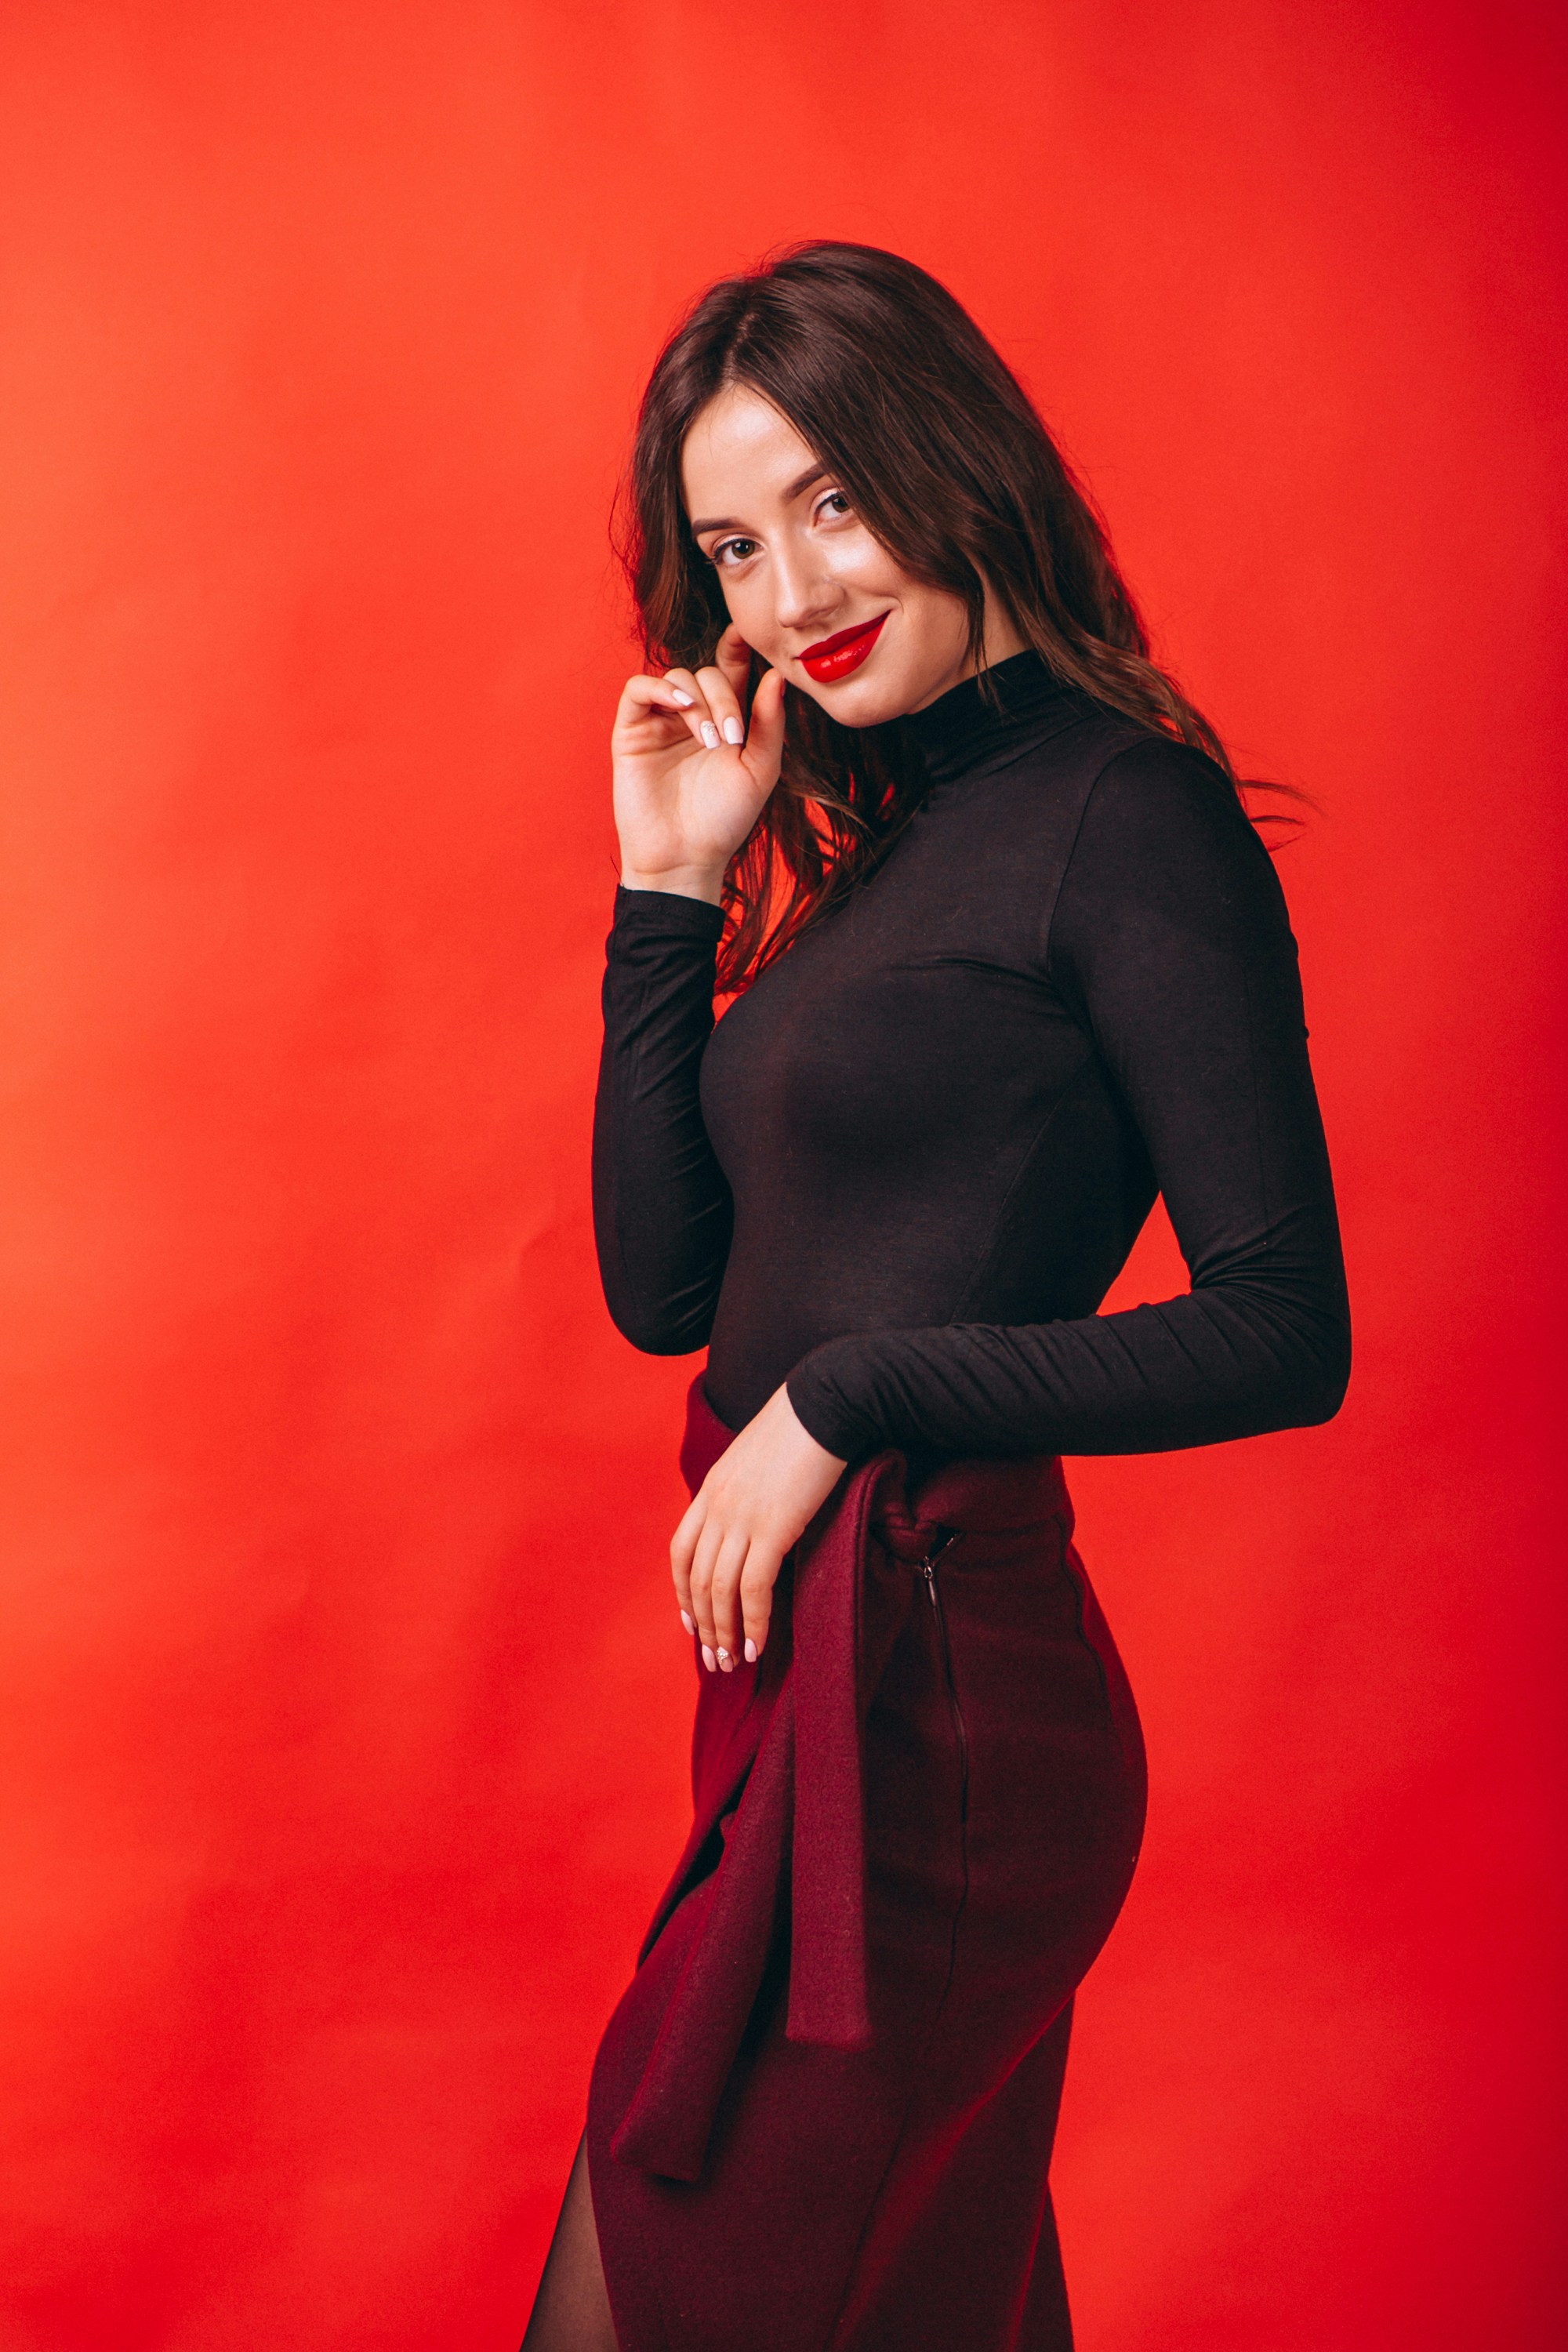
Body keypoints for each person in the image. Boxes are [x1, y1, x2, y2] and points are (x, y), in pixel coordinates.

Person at [523, 241, 1350, 2352]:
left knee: (669, 2290)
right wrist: (671, 888)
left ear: (949, 459)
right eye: (732, 541)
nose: (793, 587)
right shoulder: (880, 843)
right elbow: (666, 1288)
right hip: (799, 1697)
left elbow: (1282, 1321)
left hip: (941, 1693)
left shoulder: (1122, 813)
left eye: (831, 498)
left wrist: (848, 1401)